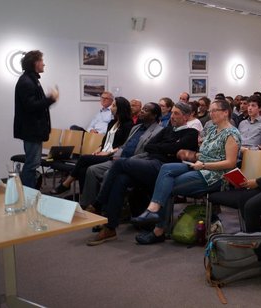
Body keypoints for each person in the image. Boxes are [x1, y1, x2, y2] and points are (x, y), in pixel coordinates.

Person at [85, 102, 200, 245]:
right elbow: (149, 146)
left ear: (187, 116)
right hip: (150, 163)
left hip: (164, 168)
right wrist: (168, 149)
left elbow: (173, 149)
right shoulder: (167, 130)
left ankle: (98, 203)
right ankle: (110, 227)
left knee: (120, 163)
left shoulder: (191, 133)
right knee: (121, 179)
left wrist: (166, 148)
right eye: (172, 113)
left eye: (176, 114)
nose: (172, 116)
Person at [129, 100, 241, 244]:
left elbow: (230, 163)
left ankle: (158, 229)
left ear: (226, 112)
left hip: (215, 175)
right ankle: (153, 210)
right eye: (211, 111)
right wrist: (191, 155)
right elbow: (205, 153)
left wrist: (205, 164)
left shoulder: (231, 133)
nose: (211, 114)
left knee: (167, 185)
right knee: (166, 168)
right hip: (200, 165)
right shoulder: (213, 129)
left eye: (215, 111)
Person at [79, 102, 163, 209]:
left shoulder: (158, 131)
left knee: (107, 174)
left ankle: (102, 208)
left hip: (133, 162)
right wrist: (116, 154)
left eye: (146, 110)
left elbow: (148, 154)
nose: (142, 111)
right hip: (119, 158)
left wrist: (127, 160)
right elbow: (124, 145)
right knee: (92, 170)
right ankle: (87, 204)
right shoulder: (136, 127)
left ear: (154, 115)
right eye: (142, 109)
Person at [50, 97, 133, 194]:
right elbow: (104, 141)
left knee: (83, 158)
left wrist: (107, 152)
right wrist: (98, 149)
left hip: (112, 156)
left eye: (114, 106)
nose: (111, 108)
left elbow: (124, 145)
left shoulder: (128, 125)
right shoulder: (112, 123)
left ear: (121, 108)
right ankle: (83, 197)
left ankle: (66, 184)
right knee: (82, 171)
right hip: (103, 152)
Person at [13, 50, 59, 188]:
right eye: (41, 61)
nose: (44, 64)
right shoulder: (27, 82)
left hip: (33, 130)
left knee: (32, 163)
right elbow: (31, 106)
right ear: (35, 63)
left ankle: (28, 193)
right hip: (31, 130)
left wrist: (48, 99)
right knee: (32, 164)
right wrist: (51, 98)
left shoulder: (31, 80)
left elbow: (34, 104)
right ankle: (28, 195)